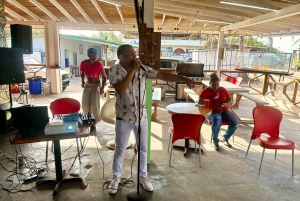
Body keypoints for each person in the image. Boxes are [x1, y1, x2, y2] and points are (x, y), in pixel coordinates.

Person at [108, 44, 195, 195]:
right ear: (121, 57)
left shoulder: (143, 69)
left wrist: (182, 78)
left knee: (143, 149)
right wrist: (133, 70)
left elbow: (162, 75)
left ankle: (143, 177)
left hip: (141, 116)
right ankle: (115, 178)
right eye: (130, 54)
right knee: (120, 150)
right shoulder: (114, 70)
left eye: (133, 53)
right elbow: (121, 89)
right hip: (124, 117)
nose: (134, 56)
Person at [198, 73, 239, 151]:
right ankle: (215, 141)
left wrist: (225, 103)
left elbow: (229, 98)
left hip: (224, 110)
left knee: (235, 122)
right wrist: (212, 104)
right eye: (213, 85)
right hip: (211, 111)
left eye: (217, 85)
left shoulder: (222, 89)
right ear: (209, 83)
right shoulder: (205, 91)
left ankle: (225, 138)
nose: (215, 87)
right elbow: (200, 102)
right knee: (217, 120)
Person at [80, 47, 107, 133]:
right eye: (92, 55)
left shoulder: (98, 64)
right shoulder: (83, 63)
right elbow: (82, 72)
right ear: (88, 55)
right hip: (88, 85)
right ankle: (87, 121)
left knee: (94, 105)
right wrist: (82, 81)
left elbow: (105, 77)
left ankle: (93, 124)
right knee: (85, 104)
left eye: (95, 55)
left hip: (96, 85)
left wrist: (102, 88)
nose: (94, 57)